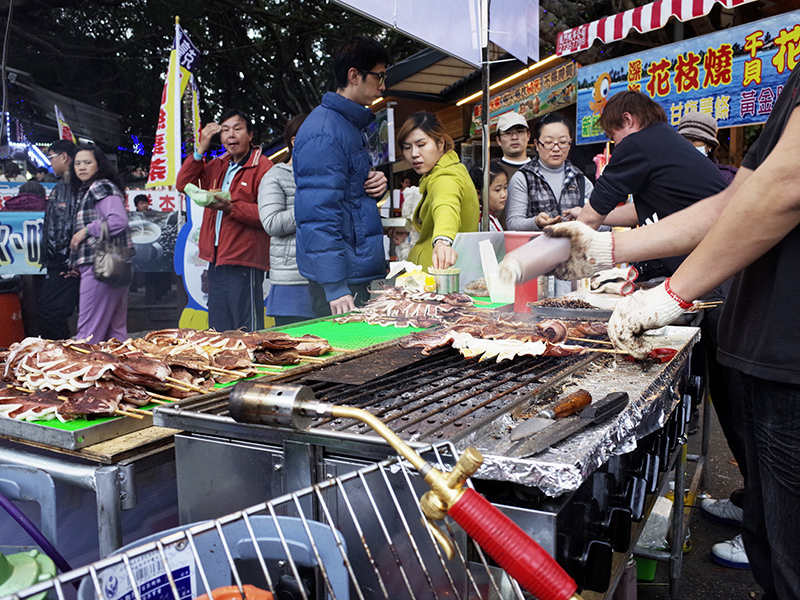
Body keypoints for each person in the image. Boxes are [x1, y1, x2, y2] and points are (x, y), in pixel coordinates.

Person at [545, 61, 800, 600]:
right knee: (770, 537)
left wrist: (670, 294)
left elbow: (786, 186)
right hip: (758, 324)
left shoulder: (644, 142)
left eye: (612, 135)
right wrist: (608, 249)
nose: (612, 146)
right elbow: (732, 204)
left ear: (628, 123)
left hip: (783, 335)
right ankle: (752, 507)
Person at [677, 110, 747, 569]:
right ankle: (748, 504)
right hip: (707, 301)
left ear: (709, 146)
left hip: (733, 305)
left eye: (695, 144)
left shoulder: (726, 180)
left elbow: (708, 234)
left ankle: (762, 534)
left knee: (749, 417)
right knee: (726, 403)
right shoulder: (679, 179)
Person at [575, 90, 727, 281]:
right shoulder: (665, 140)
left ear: (628, 119)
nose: (615, 145)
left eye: (613, 136)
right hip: (721, 262)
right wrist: (583, 212)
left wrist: (558, 256)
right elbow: (639, 212)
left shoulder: (636, 144)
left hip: (705, 269)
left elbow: (588, 221)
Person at [293, 36, 389, 317]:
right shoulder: (325, 130)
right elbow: (317, 214)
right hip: (339, 283)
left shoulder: (346, 125)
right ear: (354, 75)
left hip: (351, 270)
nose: (383, 85)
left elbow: (345, 195)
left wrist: (375, 186)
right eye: (379, 76)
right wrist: (335, 286)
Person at [176, 109, 273, 331]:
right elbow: (183, 184)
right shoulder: (219, 164)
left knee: (246, 330)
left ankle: (251, 365)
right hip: (216, 259)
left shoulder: (264, 166)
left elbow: (267, 215)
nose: (231, 136)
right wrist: (200, 149)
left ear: (250, 135)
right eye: (225, 130)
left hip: (244, 259)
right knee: (218, 328)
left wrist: (231, 207)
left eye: (237, 129)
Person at [397, 111, 479, 271]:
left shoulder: (445, 176)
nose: (414, 154)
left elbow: (446, 206)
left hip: (438, 278)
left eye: (421, 145)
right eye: (407, 147)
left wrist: (442, 241)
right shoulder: (445, 170)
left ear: (440, 144)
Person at [68, 146, 132, 343]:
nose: (81, 167)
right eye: (77, 163)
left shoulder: (99, 187)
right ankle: (122, 371)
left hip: (99, 266)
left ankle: (82, 370)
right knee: (115, 332)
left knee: (88, 331)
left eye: (87, 162)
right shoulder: (93, 188)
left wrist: (85, 231)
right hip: (113, 265)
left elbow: (118, 221)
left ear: (99, 164)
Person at [258, 114, 314, 326]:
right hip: (291, 282)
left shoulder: (325, 175)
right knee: (291, 351)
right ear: (294, 140)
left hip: (325, 278)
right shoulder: (275, 176)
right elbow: (272, 223)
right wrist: (311, 208)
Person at [505, 112, 593, 232]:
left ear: (570, 143)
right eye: (548, 143)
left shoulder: (580, 180)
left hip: (573, 249)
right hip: (537, 249)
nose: (556, 149)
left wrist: (584, 218)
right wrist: (536, 222)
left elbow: (603, 224)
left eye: (562, 143)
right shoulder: (523, 178)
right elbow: (513, 223)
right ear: (537, 144)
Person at [38, 140, 80, 340]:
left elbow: (71, 225)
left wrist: (70, 260)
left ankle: (60, 358)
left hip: (64, 264)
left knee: (50, 313)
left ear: (64, 157)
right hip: (61, 262)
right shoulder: (63, 185)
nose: (50, 163)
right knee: (52, 313)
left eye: (51, 158)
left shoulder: (72, 185)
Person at [677, 111, 738, 185]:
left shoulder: (726, 177)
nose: (688, 145)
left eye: (694, 140)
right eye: (683, 140)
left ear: (710, 146)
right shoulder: (666, 174)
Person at [469, 160, 507, 232]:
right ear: (478, 194)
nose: (503, 195)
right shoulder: (483, 221)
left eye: (505, 187)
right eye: (497, 190)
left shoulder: (490, 216)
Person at [495, 112, 531, 180]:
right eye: (508, 133)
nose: (514, 137)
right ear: (498, 140)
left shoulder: (540, 168)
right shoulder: (492, 172)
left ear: (528, 136)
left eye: (520, 132)